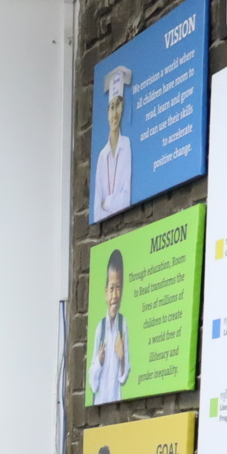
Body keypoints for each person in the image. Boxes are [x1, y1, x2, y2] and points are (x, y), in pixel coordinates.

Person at [91, 64, 135, 219]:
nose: (114, 113)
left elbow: (126, 199)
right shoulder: (102, 156)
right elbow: (96, 213)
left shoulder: (127, 145)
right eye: (111, 107)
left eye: (118, 106)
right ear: (107, 112)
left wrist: (107, 202)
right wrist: (108, 204)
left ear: (122, 109)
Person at [87, 253, 131, 406]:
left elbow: (123, 377)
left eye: (118, 288)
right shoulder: (100, 328)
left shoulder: (123, 324)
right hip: (101, 404)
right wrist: (99, 361)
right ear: (106, 292)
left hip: (117, 406)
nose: (115, 295)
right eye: (111, 288)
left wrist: (122, 358)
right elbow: (92, 383)